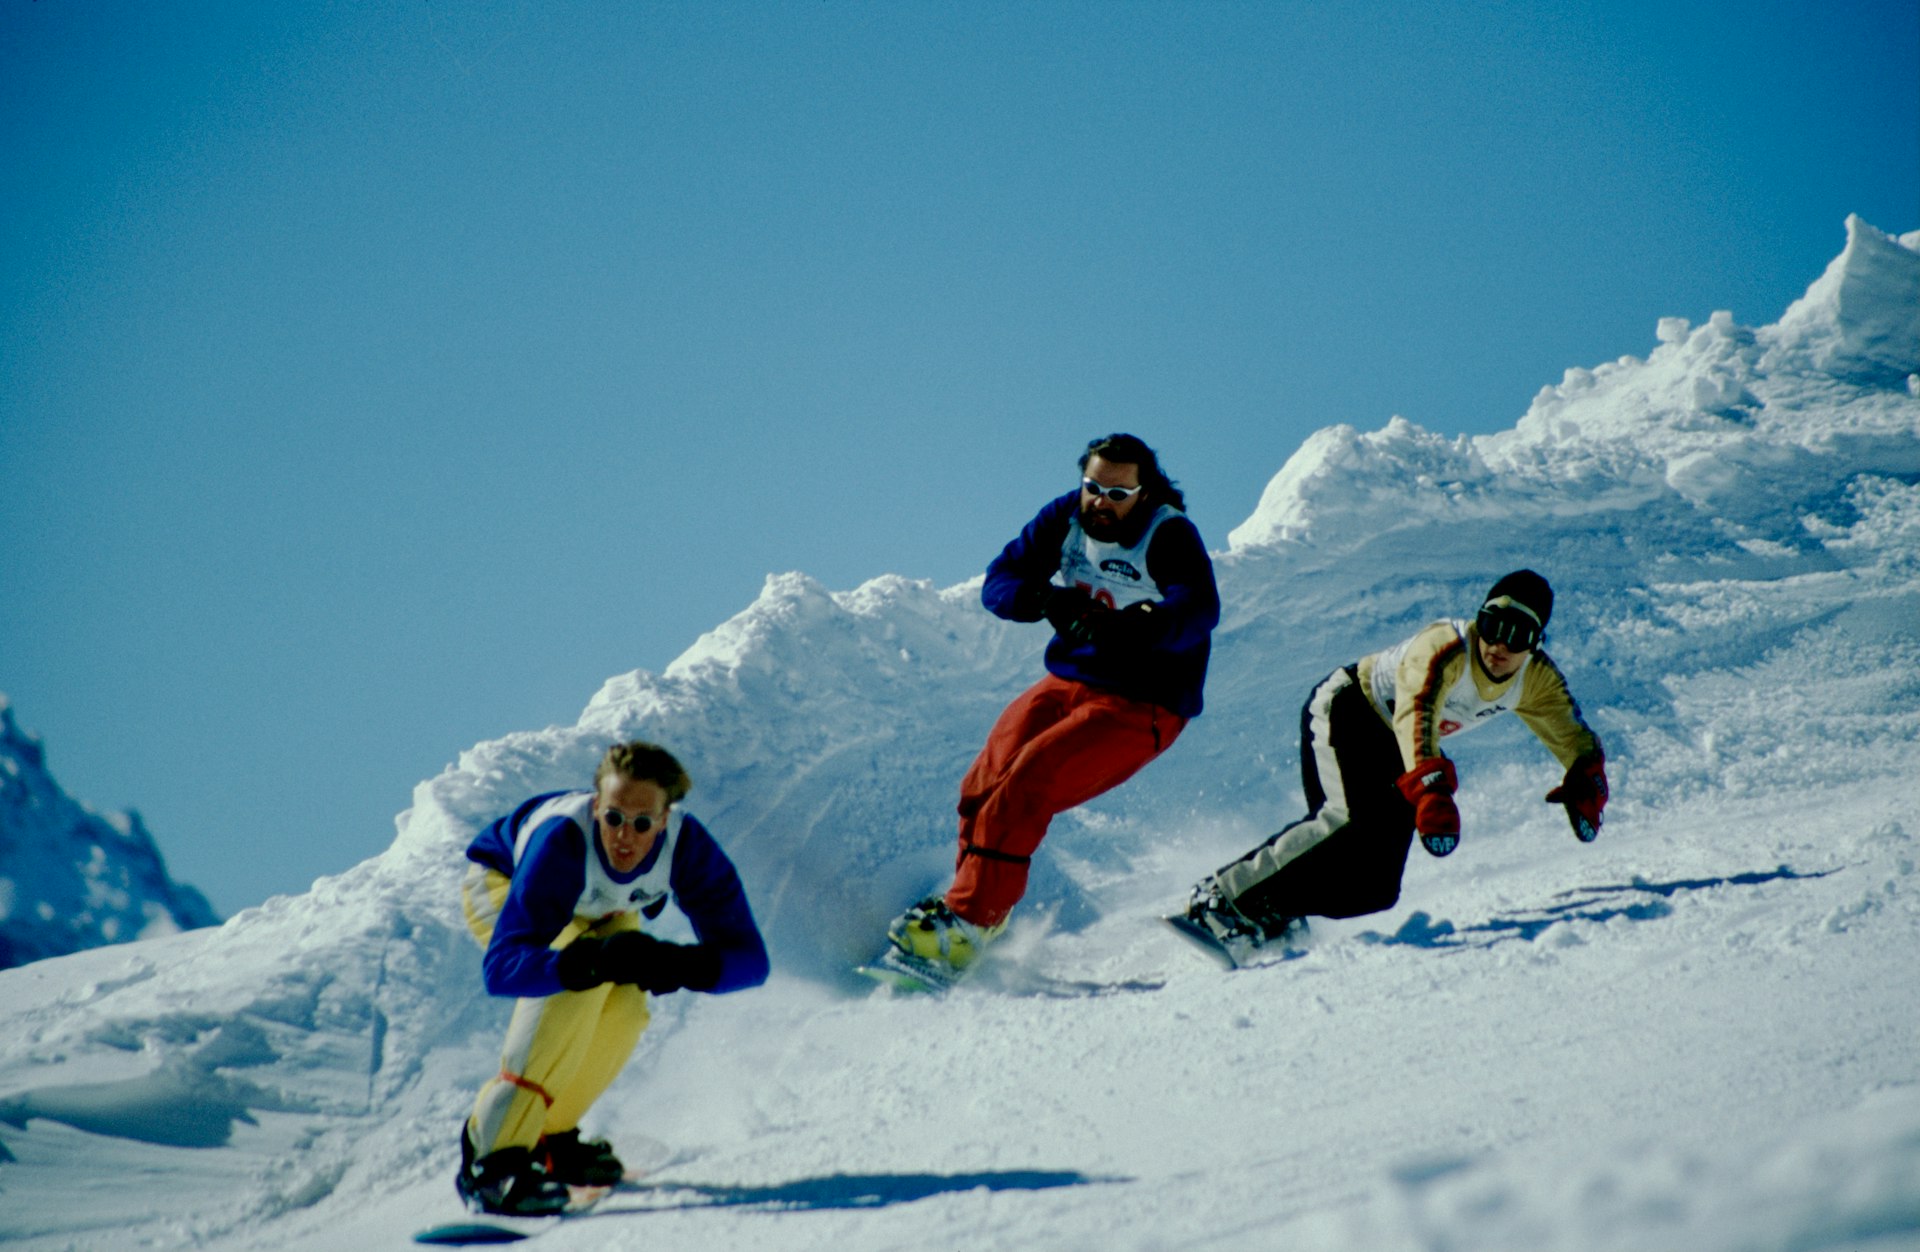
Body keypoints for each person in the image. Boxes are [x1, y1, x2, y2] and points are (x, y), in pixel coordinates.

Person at [885, 433, 1221, 978]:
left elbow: (1200, 607)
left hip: (1143, 703)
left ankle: (970, 923)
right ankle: (971, 913)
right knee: (984, 783)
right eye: (1093, 487)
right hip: (1070, 681)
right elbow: (1000, 580)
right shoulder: (1065, 519)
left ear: (1143, 493)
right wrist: (1044, 598)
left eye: (1118, 493)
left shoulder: (1168, 534)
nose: (1100, 502)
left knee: (1029, 783)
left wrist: (1141, 623)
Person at [1181, 570, 1609, 957]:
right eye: (1494, 625)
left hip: (1399, 749)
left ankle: (1272, 910)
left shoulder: (1536, 681)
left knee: (1376, 888)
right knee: (1346, 822)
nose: (1499, 645)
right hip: (1351, 709)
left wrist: (1586, 778)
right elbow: (1417, 713)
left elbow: (1574, 737)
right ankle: (1221, 898)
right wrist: (1432, 787)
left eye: (1519, 635)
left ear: (1535, 645)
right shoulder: (1445, 647)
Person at [455, 740, 769, 1216]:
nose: (625, 836)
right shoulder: (560, 841)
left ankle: (551, 1139)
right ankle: (491, 1160)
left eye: (643, 824)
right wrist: (584, 963)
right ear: (595, 806)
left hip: (599, 909)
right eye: (613, 817)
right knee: (571, 992)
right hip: (502, 883)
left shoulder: (688, 849)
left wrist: (677, 963)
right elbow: (503, 968)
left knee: (625, 1008)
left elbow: (749, 961)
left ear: (665, 821)